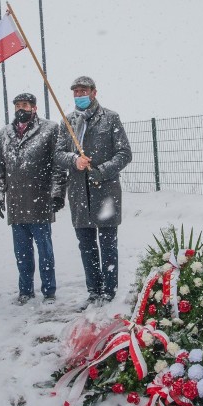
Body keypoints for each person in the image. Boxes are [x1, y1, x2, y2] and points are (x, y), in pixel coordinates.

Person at [55, 76, 132, 308]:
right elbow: (58, 154)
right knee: (86, 246)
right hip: (79, 194)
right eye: (76, 92)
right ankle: (93, 290)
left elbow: (124, 153)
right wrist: (74, 159)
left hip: (106, 192)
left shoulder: (110, 118)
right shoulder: (67, 122)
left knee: (108, 244)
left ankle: (109, 291)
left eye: (83, 91)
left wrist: (103, 170)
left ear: (94, 92)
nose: (80, 96)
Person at [0, 93, 67, 306]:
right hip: (16, 202)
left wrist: (57, 193)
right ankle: (25, 290)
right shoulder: (5, 132)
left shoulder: (49, 129)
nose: (20, 109)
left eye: (24, 105)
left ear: (34, 108)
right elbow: (0, 166)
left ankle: (49, 290)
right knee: (21, 252)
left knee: (44, 250)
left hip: (40, 199)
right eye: (17, 105)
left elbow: (57, 165)